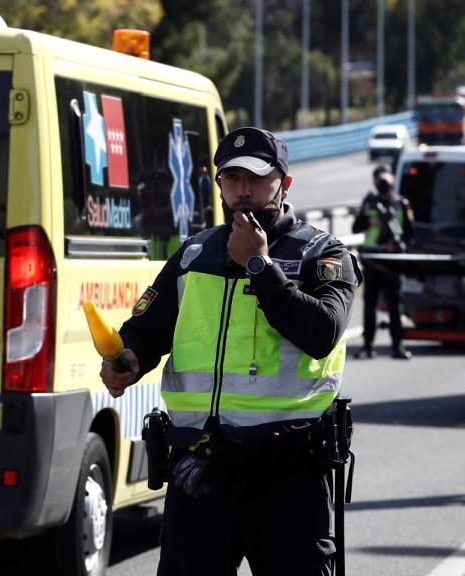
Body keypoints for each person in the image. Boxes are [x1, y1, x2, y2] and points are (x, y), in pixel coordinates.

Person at [100, 127, 360, 576]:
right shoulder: (193, 254)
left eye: (257, 178)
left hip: (287, 476)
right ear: (217, 183)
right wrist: (128, 360)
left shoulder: (324, 254)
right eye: (232, 178)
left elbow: (322, 332)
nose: (243, 190)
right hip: (200, 471)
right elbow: (145, 330)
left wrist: (260, 266)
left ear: (284, 183)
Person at [352, 163, 415, 359]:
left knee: (395, 305)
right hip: (373, 260)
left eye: (386, 182)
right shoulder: (369, 203)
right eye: (380, 182)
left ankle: (398, 346)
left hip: (393, 262)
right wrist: (370, 222)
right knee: (369, 305)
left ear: (392, 181)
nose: (383, 186)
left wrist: (397, 245)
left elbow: (410, 234)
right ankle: (367, 346)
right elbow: (356, 227)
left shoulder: (401, 203)